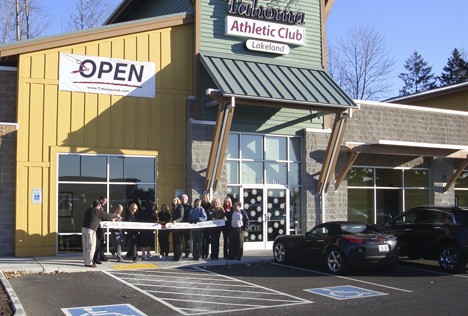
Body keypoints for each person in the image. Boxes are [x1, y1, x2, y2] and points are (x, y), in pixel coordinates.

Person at [81, 199, 120, 267]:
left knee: (85, 246)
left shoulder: (88, 210)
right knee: (91, 247)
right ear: (98, 205)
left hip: (84, 228)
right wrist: (116, 216)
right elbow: (107, 215)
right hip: (91, 229)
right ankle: (89, 263)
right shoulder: (98, 211)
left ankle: (85, 261)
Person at [93, 195, 109, 264]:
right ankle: (96, 258)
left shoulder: (101, 209)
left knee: (102, 242)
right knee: (98, 243)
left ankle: (101, 256)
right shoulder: (98, 209)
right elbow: (102, 217)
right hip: (98, 228)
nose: (105, 203)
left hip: (102, 228)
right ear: (101, 200)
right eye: (105, 201)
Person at [171, 196, 184, 261]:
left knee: (179, 242)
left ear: (177, 201)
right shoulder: (173, 208)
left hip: (178, 228)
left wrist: (176, 221)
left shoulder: (180, 207)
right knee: (175, 242)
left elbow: (181, 217)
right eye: (172, 200)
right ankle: (175, 256)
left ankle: (179, 256)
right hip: (174, 228)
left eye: (174, 200)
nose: (173, 201)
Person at [200, 194, 212, 259]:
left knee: (207, 240)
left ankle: (206, 253)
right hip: (201, 225)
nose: (204, 199)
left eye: (205, 198)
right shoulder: (201, 205)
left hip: (208, 225)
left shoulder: (210, 206)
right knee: (202, 240)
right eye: (203, 198)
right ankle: (202, 253)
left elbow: (210, 214)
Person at [180, 194, 192, 258]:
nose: (182, 200)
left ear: (186, 200)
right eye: (181, 199)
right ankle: (179, 253)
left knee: (187, 240)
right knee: (180, 240)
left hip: (186, 226)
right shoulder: (179, 206)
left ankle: (187, 253)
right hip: (180, 226)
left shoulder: (189, 207)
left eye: (183, 199)